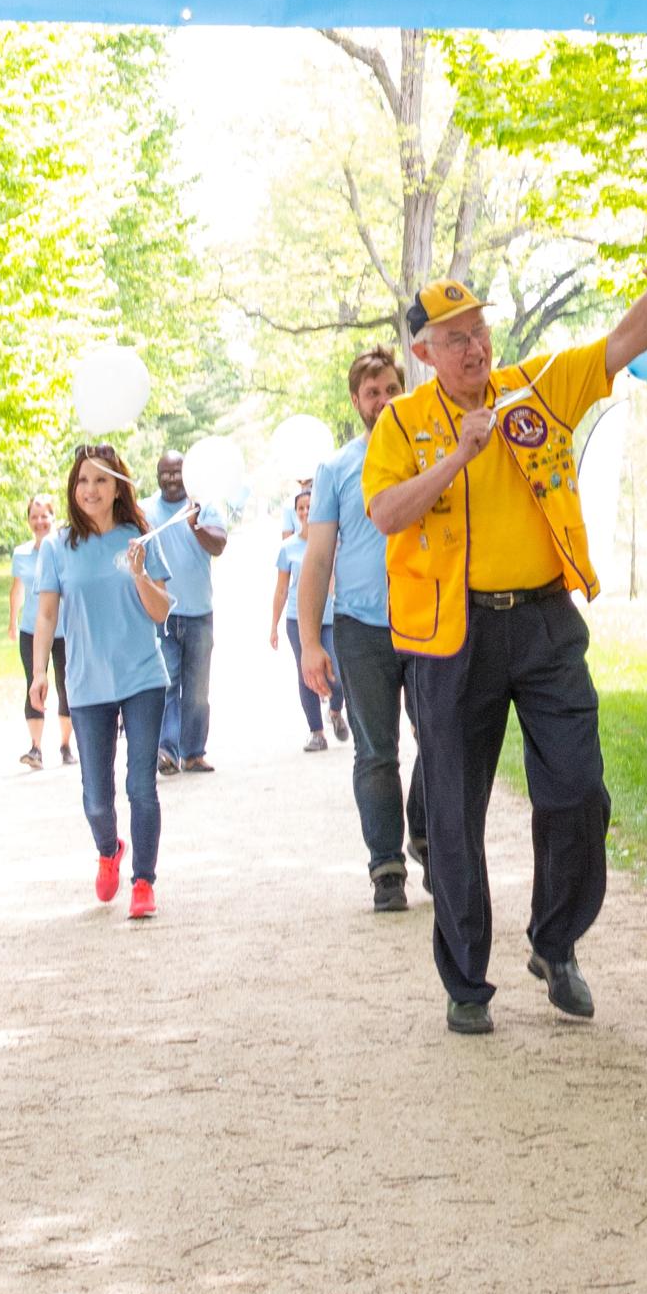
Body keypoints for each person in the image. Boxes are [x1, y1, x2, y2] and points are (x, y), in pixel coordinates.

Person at [369, 226, 647, 1033]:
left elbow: (619, 345)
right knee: (454, 813)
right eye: (455, 339)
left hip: (546, 621)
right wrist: (453, 458)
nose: (475, 347)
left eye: (479, 331)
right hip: (454, 640)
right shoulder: (403, 425)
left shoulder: (535, 386)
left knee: (580, 790)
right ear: (424, 354)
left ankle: (557, 944)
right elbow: (385, 513)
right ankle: (466, 985)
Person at [297, 346, 422, 909]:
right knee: (376, 750)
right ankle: (386, 868)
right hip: (360, 628)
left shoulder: (428, 451)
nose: (384, 400)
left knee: (443, 742)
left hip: (428, 620)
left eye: (392, 388)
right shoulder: (337, 468)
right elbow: (318, 559)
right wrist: (308, 643)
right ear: (356, 402)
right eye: (373, 393)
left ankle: (425, 834)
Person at [42, 442, 177, 914]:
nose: (90, 489)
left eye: (101, 479)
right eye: (83, 480)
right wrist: (38, 673)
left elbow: (161, 611)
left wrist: (141, 574)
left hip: (142, 677)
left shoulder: (140, 538)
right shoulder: (57, 546)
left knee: (141, 785)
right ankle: (108, 850)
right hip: (85, 684)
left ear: (118, 486)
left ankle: (144, 882)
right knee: (97, 797)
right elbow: (45, 615)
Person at [149, 450, 232, 773]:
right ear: (157, 476)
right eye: (165, 473)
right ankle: (167, 751)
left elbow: (219, 545)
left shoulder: (204, 506)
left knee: (197, 691)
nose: (171, 478)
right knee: (167, 684)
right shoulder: (146, 509)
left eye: (176, 472)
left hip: (199, 612)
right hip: (162, 615)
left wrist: (195, 526)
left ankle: (194, 752)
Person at [272, 482, 334, 749]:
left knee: (338, 672)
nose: (306, 511)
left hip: (330, 616)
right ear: (296, 512)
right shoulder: (288, 548)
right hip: (298, 618)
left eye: (310, 506)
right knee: (306, 673)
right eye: (301, 508)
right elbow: (281, 589)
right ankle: (316, 731)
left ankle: (335, 710)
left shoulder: (333, 541)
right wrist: (273, 625)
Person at [10, 495, 62, 771]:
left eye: (45, 516)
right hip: (31, 629)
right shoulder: (21, 554)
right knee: (33, 684)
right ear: (28, 520)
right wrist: (11, 621)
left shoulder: (65, 549)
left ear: (53, 518)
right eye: (35, 517)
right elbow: (17, 589)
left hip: (64, 629)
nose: (40, 521)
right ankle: (36, 748)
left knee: (67, 686)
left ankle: (66, 745)